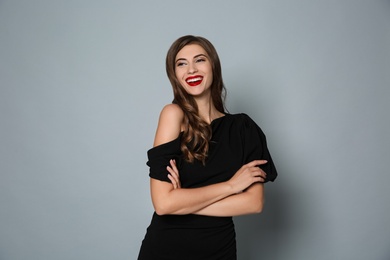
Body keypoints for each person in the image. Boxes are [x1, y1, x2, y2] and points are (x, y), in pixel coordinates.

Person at [137, 35, 277, 260]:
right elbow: (163, 204)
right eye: (181, 63)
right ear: (175, 75)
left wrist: (182, 200)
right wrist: (231, 186)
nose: (191, 69)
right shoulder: (173, 115)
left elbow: (254, 202)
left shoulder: (243, 128)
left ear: (213, 66)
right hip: (167, 247)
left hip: (219, 249)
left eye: (199, 60)